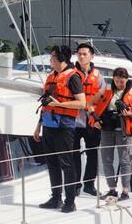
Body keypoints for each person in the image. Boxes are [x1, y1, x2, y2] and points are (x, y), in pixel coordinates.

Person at [33, 45, 85, 213]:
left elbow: (82, 103)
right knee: (52, 163)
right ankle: (56, 198)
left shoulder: (73, 77)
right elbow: (45, 103)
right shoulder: (52, 76)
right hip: (48, 124)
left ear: (61, 58)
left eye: (52, 57)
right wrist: (38, 126)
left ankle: (70, 201)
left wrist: (59, 104)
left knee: (66, 163)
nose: (50, 60)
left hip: (64, 126)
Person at [92, 67, 132, 201]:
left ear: (126, 80)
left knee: (124, 161)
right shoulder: (107, 91)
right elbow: (92, 105)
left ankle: (125, 191)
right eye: (117, 80)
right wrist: (94, 120)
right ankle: (112, 190)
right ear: (113, 78)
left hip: (123, 131)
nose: (119, 83)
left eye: (122, 81)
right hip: (107, 129)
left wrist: (129, 113)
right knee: (106, 160)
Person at [73, 43, 104, 196]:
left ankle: (89, 185)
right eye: (79, 53)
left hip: (92, 120)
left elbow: (104, 99)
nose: (82, 56)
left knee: (92, 153)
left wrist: (100, 119)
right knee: (74, 153)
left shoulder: (98, 76)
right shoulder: (71, 74)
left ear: (92, 56)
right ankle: (75, 185)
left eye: (85, 54)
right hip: (74, 120)